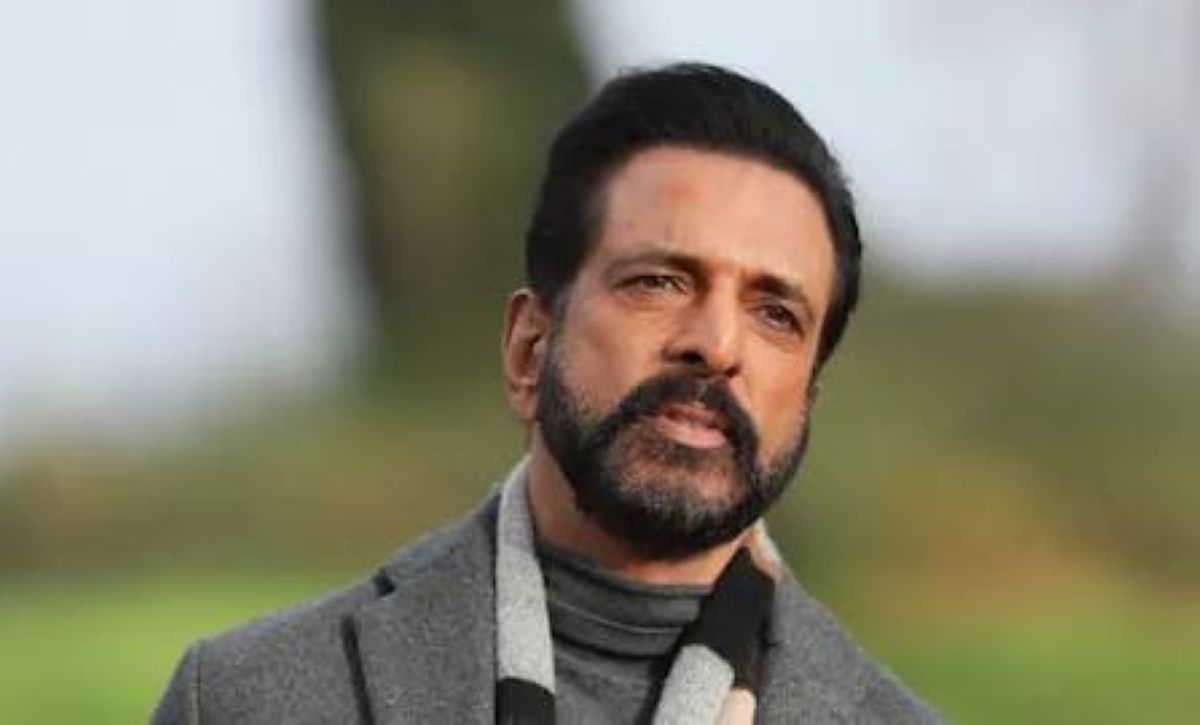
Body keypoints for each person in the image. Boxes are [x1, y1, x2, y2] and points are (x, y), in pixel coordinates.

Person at [153, 62, 938, 724]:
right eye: (659, 281)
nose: (717, 344)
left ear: (806, 398)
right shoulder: (241, 700)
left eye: (775, 314)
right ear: (530, 347)